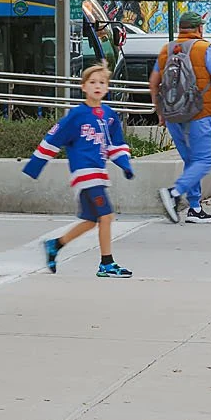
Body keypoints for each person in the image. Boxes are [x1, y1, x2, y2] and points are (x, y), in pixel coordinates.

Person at [26, 59, 138, 277]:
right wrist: (35, 165)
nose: (97, 86)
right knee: (106, 217)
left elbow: (115, 144)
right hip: (85, 176)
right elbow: (54, 138)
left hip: (100, 174)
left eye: (102, 82)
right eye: (93, 82)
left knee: (90, 221)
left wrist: (125, 164)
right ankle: (107, 264)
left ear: (107, 87)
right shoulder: (77, 115)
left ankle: (55, 245)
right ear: (83, 86)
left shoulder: (109, 116)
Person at [151, 10, 211, 223]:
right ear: (199, 29)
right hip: (200, 113)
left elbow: (154, 82)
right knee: (204, 160)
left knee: (190, 160)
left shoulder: (166, 50)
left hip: (173, 114)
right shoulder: (207, 49)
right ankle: (174, 193)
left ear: (180, 29)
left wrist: (160, 111)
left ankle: (194, 208)